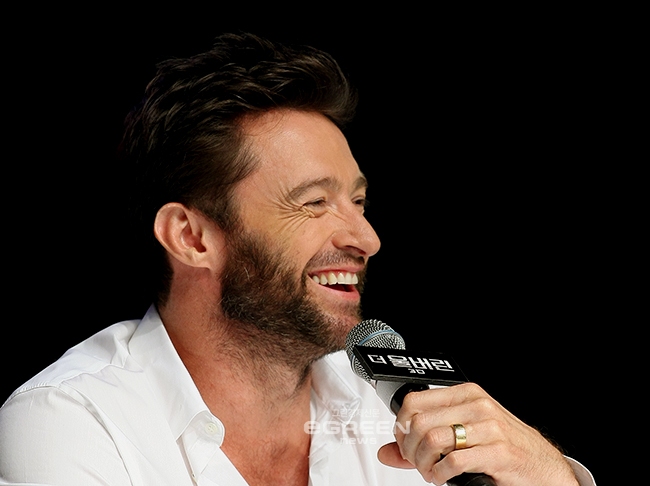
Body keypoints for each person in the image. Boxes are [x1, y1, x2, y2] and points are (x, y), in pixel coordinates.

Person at [0, 32, 595, 486]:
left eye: (358, 201)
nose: (367, 238)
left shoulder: (398, 414)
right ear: (191, 237)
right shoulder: (71, 423)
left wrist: (551, 478)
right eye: (314, 203)